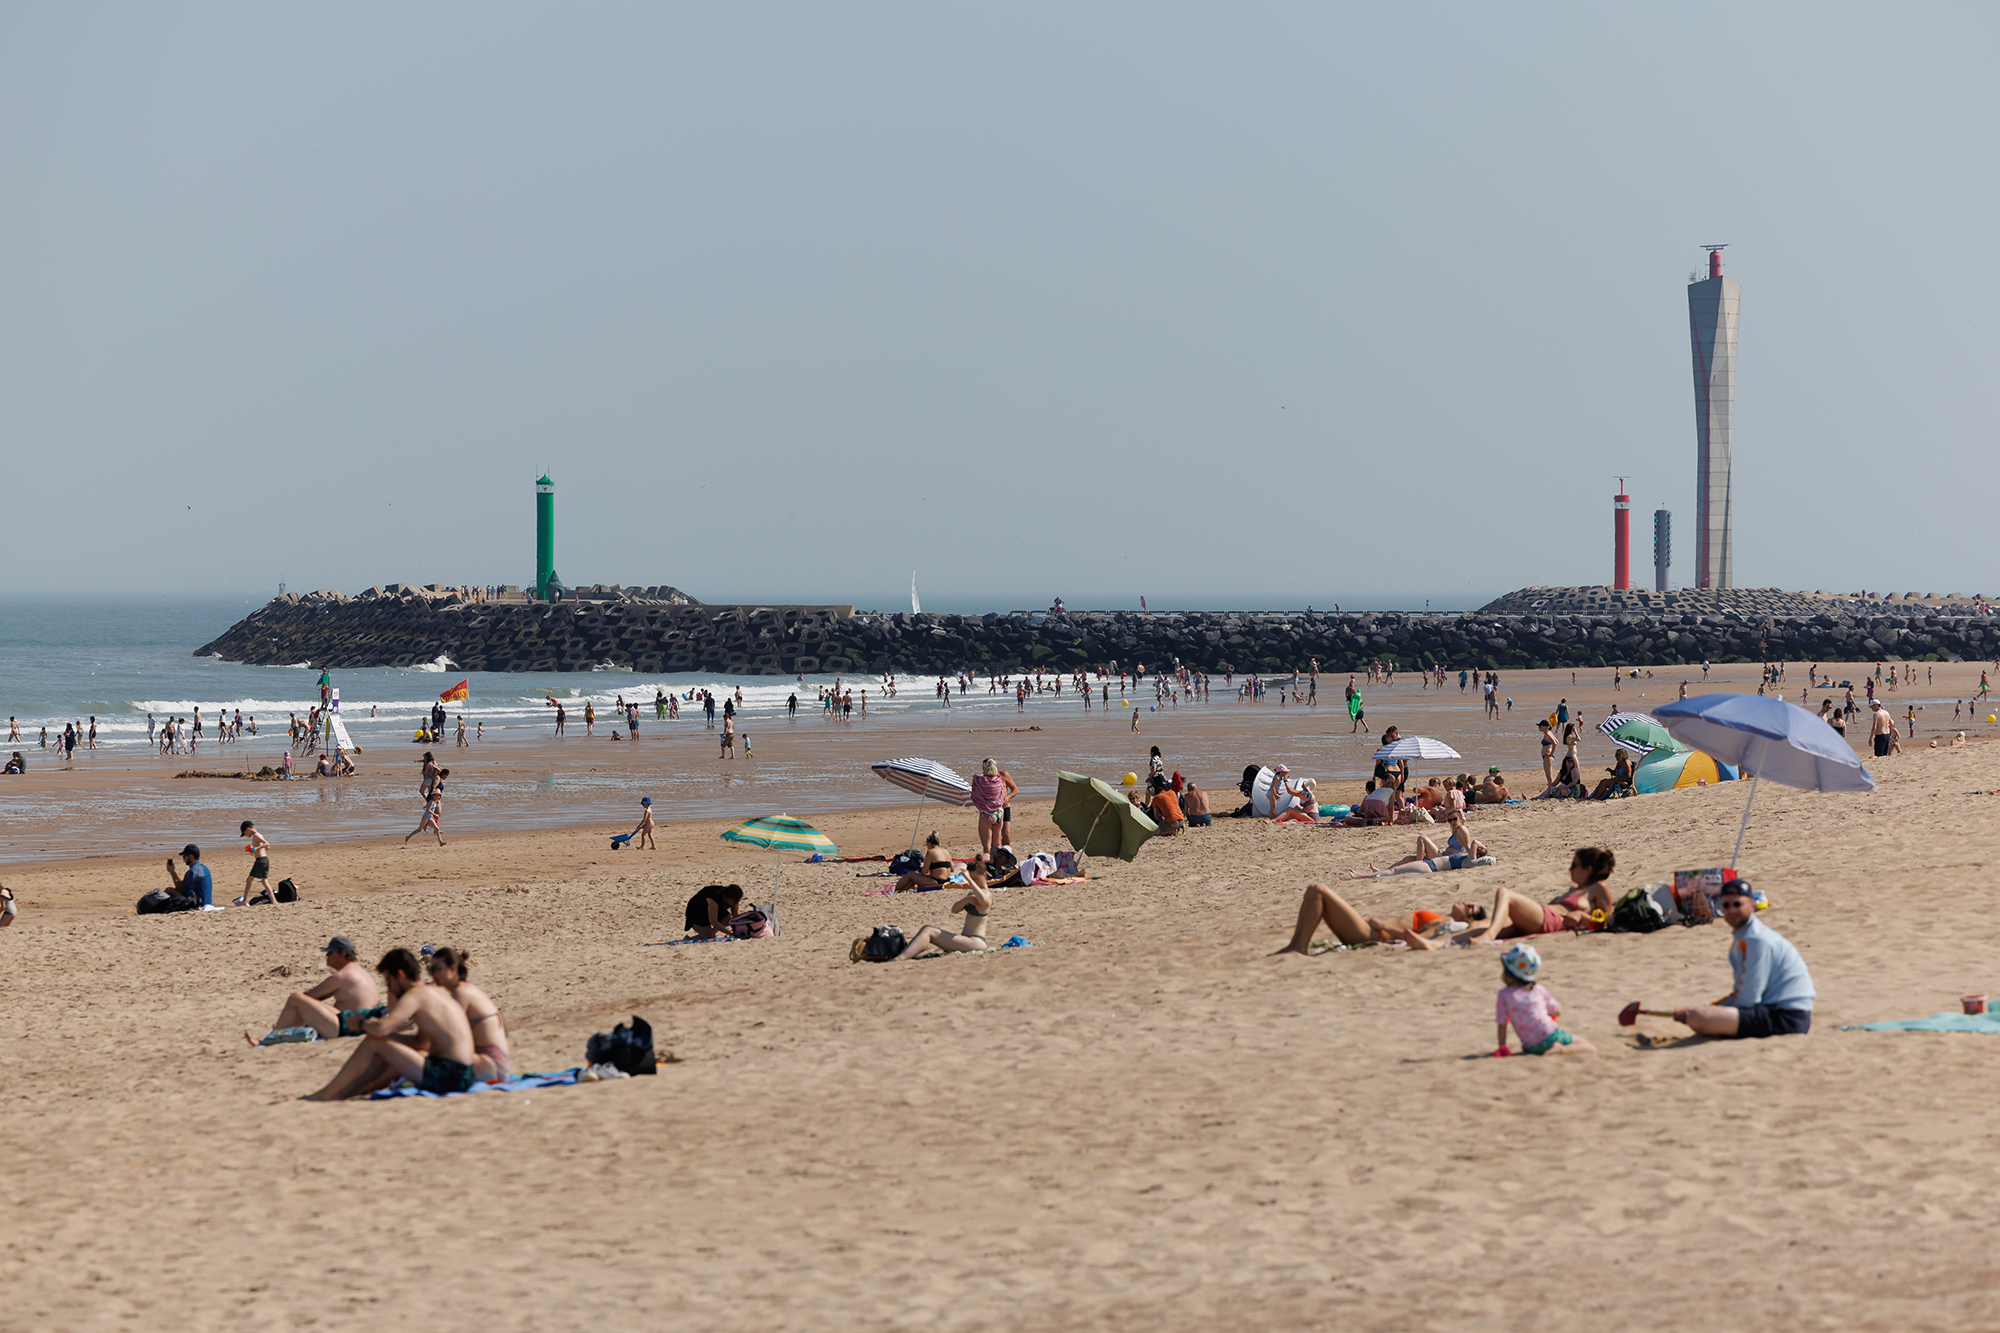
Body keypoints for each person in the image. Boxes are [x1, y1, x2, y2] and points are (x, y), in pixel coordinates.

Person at [301, 949, 478, 1100]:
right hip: (463, 1074)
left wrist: (361, 1023)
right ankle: (343, 1094)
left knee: (374, 1042)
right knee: (388, 1049)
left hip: (449, 1076)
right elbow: (421, 1043)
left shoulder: (415, 995)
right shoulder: (432, 992)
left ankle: (325, 1094)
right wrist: (390, 1038)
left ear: (400, 975)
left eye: (388, 981)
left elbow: (382, 1029)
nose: (389, 988)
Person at [1663, 879, 1815, 1038]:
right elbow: (1741, 994)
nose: (1731, 910)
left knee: (1698, 1017)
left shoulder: (1756, 940)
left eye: (1737, 904)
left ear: (1752, 906)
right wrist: (1709, 1008)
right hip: (1772, 1008)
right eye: (1726, 905)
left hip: (1787, 1016)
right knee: (1700, 1013)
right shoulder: (1746, 936)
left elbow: (1748, 999)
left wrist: (1698, 1014)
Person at [1271, 883, 1487, 955]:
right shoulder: (1441, 917)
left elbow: (1414, 938)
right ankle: (1296, 944)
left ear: (1468, 917)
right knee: (1314, 893)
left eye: (1469, 907)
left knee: (1317, 891)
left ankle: (1298, 946)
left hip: (1374, 935)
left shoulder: (1444, 924)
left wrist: (1381, 925)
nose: (1465, 903)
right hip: (1371, 930)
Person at [1460, 847, 1617, 944]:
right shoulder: (1576, 889)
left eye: (1574, 865)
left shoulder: (1598, 887)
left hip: (1552, 921)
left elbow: (1607, 923)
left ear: (1588, 869)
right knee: (1475, 926)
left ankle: (1490, 935)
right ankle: (1437, 943)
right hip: (1541, 916)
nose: (1570, 870)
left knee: (1504, 893)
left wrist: (1582, 916)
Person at [243, 936, 382, 1045]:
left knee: (295, 998)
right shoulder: (359, 972)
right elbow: (315, 1000)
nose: (326, 956)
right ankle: (281, 1031)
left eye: (330, 953)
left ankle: (273, 1037)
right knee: (310, 1005)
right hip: (360, 1023)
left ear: (342, 954)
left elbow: (308, 997)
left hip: (346, 1027)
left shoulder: (343, 975)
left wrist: (286, 1023)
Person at [873, 854, 993, 960]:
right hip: (966, 940)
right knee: (928, 929)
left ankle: (900, 958)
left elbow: (983, 899)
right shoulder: (972, 895)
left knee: (929, 931)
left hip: (976, 942)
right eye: (972, 879)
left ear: (984, 875)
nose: (973, 882)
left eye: (975, 879)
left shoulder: (986, 894)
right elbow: (955, 909)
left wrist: (968, 880)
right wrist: (967, 899)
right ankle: (904, 954)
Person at [428, 947, 511, 1083]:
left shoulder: (461, 993)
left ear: (453, 969)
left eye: (437, 969)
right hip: (496, 1063)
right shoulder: (467, 989)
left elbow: (446, 1032)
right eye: (430, 970)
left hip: (492, 1067)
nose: (432, 975)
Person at [1494, 944, 1594, 1055]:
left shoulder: (1503, 994)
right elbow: (1557, 1011)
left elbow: (1502, 1023)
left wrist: (1502, 1047)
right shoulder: (1538, 989)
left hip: (1530, 1046)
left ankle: (1555, 1048)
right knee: (1588, 1046)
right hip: (1550, 1035)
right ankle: (1562, 1049)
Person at [1347, 810, 1490, 876]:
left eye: (1454, 819)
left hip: (1445, 858)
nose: (1452, 822)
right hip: (1443, 855)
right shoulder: (1455, 830)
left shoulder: (1462, 830)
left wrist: (1483, 851)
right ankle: (1381, 871)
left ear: (1461, 819)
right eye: (1450, 819)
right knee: (1409, 858)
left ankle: (1420, 862)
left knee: (1422, 838)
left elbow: (1467, 849)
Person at [970, 759, 1018, 855]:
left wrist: (1007, 797)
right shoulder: (989, 778)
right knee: (996, 841)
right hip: (998, 811)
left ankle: (1005, 854)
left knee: (1006, 833)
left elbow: (1015, 789)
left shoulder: (1003, 775)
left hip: (1003, 808)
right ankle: (998, 857)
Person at [405, 770, 447, 845]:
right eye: (437, 795)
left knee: (437, 829)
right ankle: (408, 837)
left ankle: (440, 842)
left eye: (439, 795)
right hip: (426, 817)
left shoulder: (435, 802)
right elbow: (429, 810)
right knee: (419, 829)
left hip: (430, 817)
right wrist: (435, 814)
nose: (438, 796)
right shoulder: (432, 801)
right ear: (434, 795)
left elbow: (428, 807)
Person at [238, 820, 274, 905]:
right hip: (265, 859)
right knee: (264, 881)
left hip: (260, 860)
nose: (246, 836)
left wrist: (255, 849)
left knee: (249, 880)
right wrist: (255, 850)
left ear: (248, 829)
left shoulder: (255, 835)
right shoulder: (259, 835)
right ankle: (274, 901)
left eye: (245, 833)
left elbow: (267, 843)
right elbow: (267, 847)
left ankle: (244, 901)